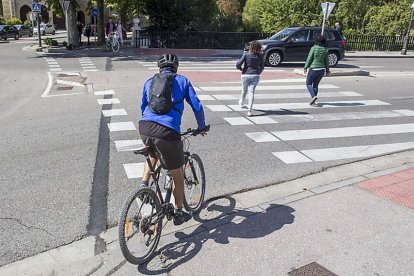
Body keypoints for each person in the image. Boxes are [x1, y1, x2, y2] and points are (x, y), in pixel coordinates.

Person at [139, 54, 208, 226]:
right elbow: (197, 106)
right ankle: (178, 211)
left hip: (145, 127)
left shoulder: (149, 81)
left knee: (153, 153)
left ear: (159, 68)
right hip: (167, 131)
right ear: (176, 67)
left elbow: (143, 106)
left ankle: (143, 185)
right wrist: (201, 126)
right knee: (177, 172)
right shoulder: (183, 81)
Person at [236, 40, 264, 117]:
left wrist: (240, 69)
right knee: (251, 92)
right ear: (259, 48)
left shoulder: (246, 54)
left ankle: (241, 103)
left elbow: (238, 63)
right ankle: (249, 110)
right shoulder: (260, 56)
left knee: (244, 89)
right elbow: (262, 67)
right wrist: (258, 73)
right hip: (255, 75)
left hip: (245, 74)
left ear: (251, 47)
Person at [304, 35, 330, 106]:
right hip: (322, 70)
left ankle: (313, 96)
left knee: (308, 83)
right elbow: (327, 61)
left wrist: (305, 67)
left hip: (314, 68)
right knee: (315, 85)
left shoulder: (314, 48)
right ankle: (313, 101)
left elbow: (309, 58)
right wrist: (327, 70)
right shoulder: (325, 49)